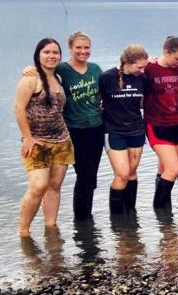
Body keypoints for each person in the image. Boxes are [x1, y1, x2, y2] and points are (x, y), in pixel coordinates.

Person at [16, 38, 74, 237]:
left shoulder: (57, 77)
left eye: (55, 52)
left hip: (62, 140)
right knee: (38, 186)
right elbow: (19, 108)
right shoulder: (31, 78)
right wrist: (27, 137)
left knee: (54, 186)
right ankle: (23, 231)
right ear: (38, 55)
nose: (51, 56)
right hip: (37, 141)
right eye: (46, 52)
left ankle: (51, 227)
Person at [56, 32, 104, 220]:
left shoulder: (95, 69)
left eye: (86, 48)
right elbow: (43, 73)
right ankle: (81, 219)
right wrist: (30, 69)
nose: (83, 51)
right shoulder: (62, 70)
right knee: (85, 173)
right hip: (75, 129)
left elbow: (104, 92)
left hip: (97, 127)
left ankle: (86, 215)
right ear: (70, 48)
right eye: (78, 47)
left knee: (91, 175)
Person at [100, 44, 149, 213]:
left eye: (144, 67)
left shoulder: (143, 79)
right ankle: (117, 221)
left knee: (132, 172)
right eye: (139, 67)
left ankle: (131, 215)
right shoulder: (107, 77)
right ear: (127, 62)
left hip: (136, 130)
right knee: (122, 174)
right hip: (114, 131)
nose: (142, 70)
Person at [144, 36, 178, 209]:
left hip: (176, 123)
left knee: (164, 170)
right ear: (166, 52)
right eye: (176, 58)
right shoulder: (149, 68)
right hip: (156, 124)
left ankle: (164, 215)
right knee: (174, 169)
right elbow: (124, 69)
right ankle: (161, 212)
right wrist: (145, 59)